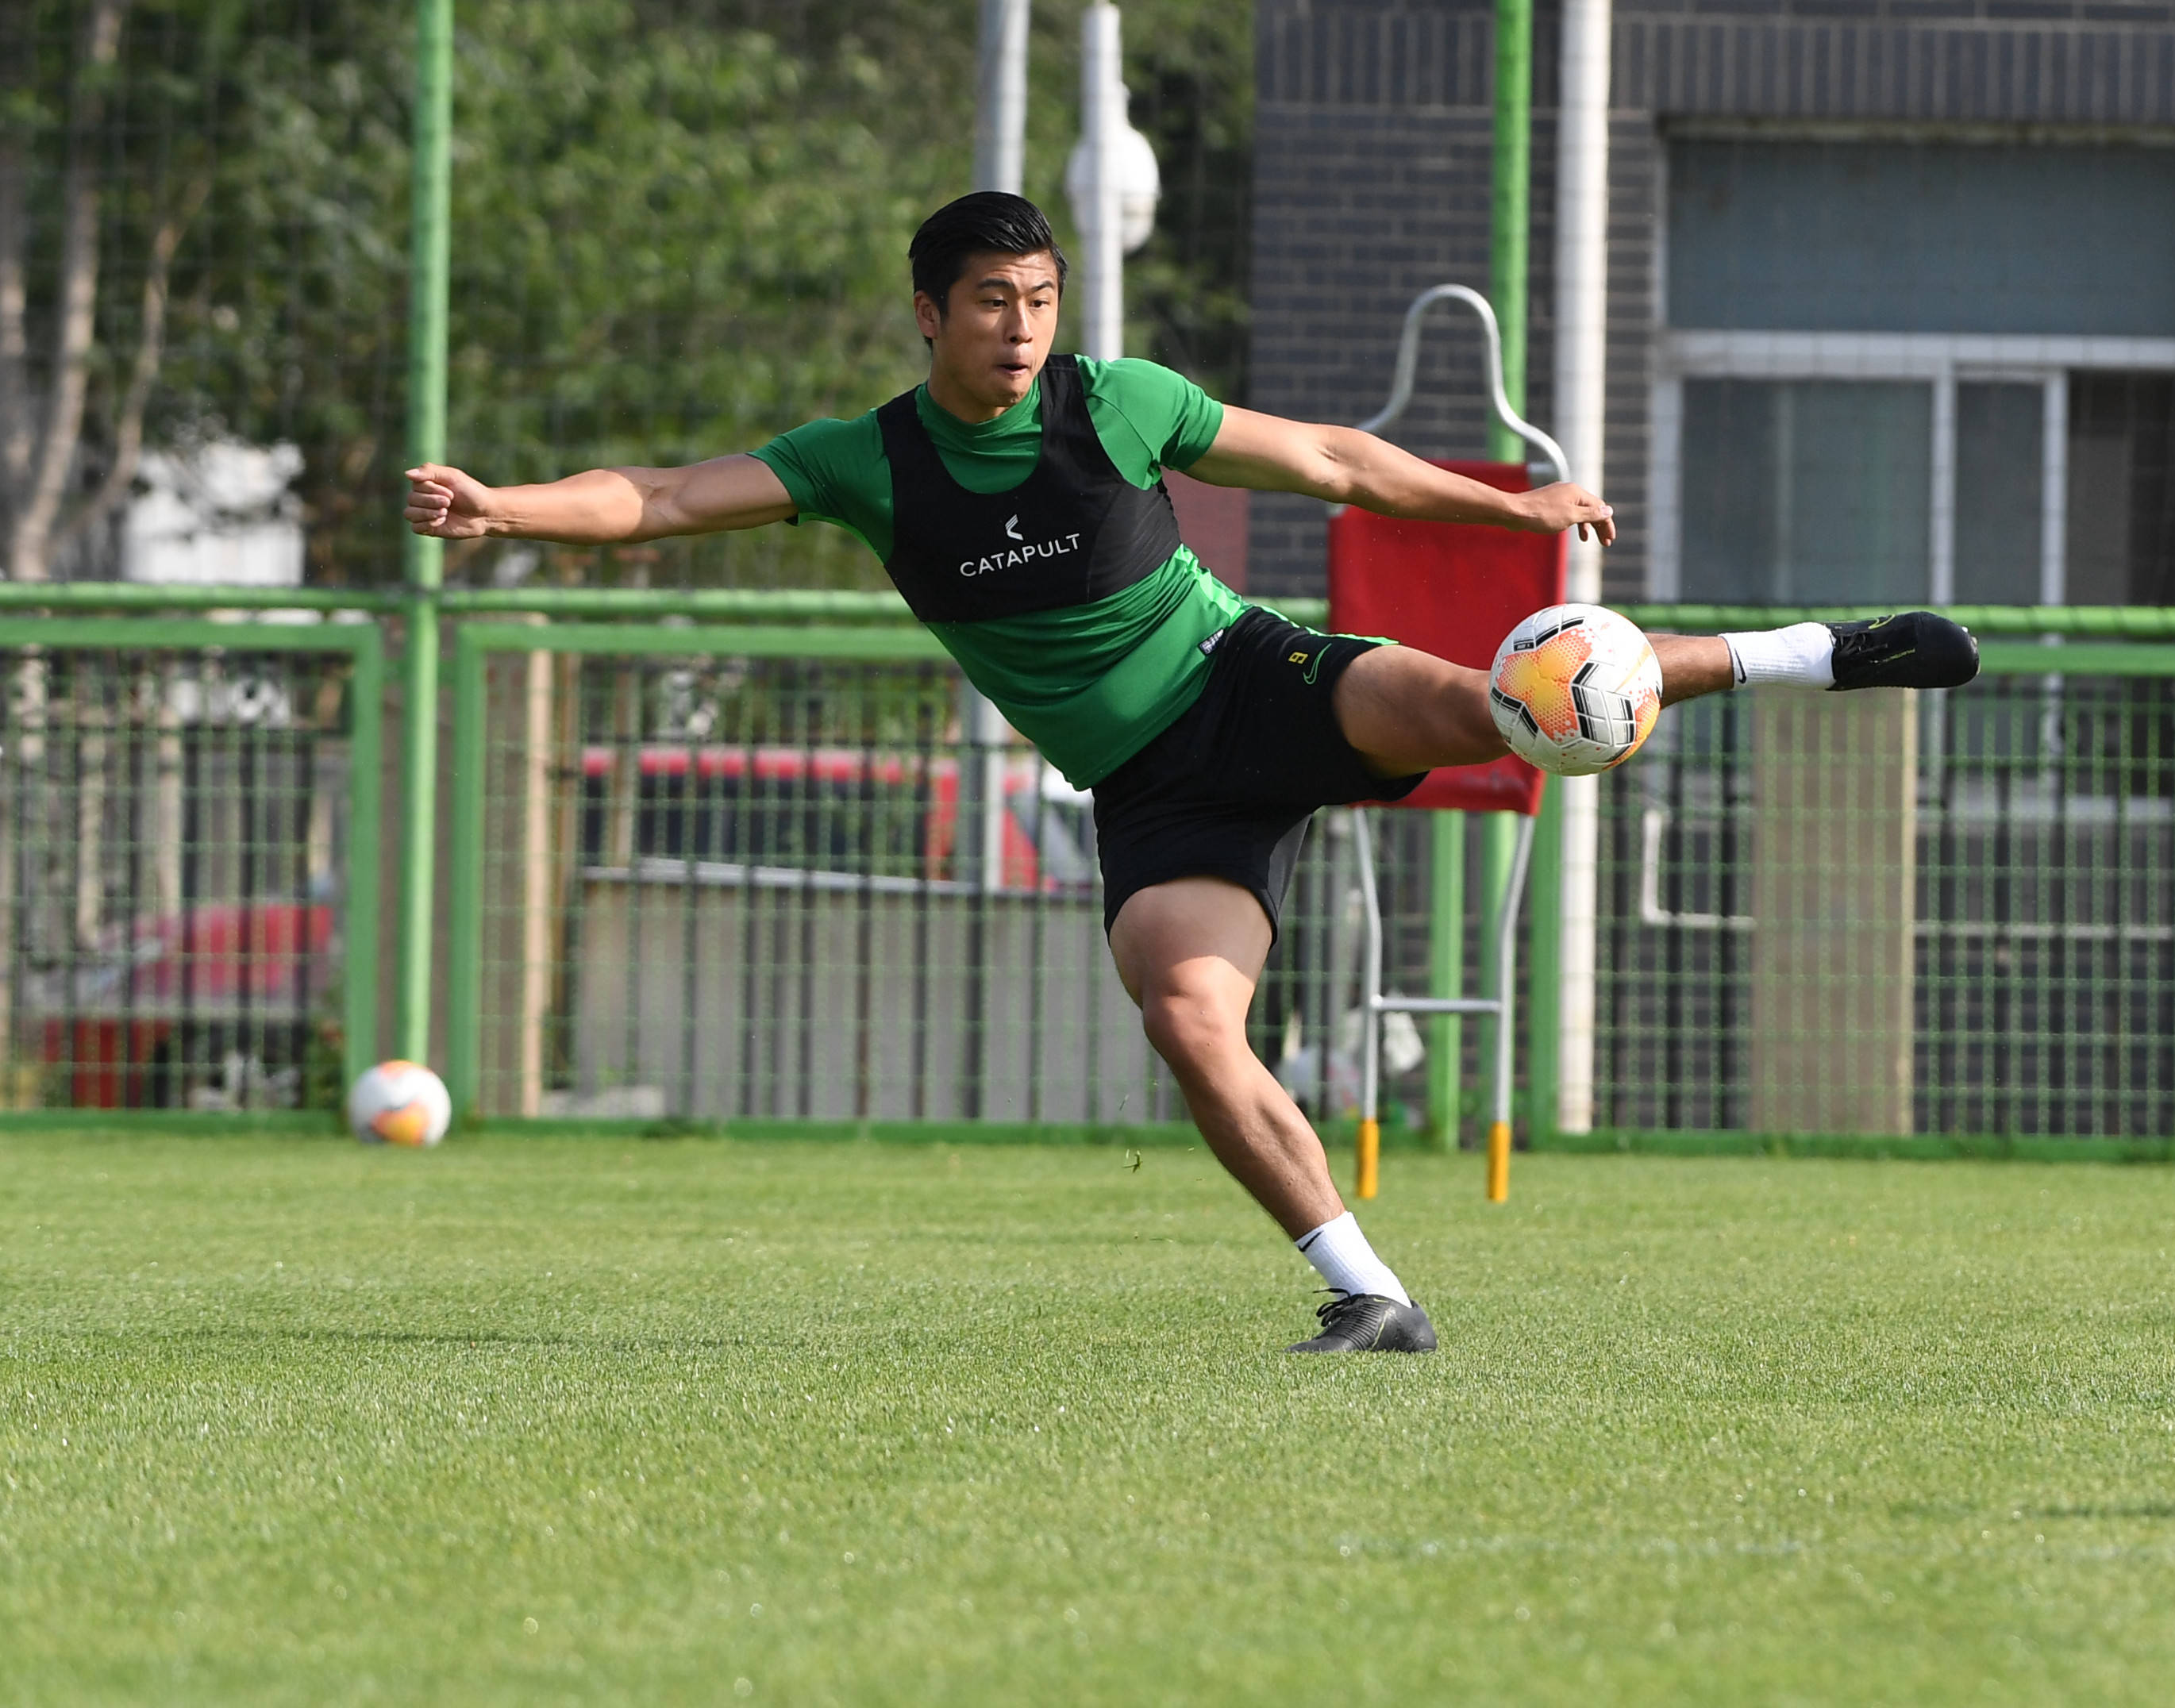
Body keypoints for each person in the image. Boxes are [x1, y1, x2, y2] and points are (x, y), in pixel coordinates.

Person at [406, 192, 1979, 1354]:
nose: (1020, 325)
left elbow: (1334, 463)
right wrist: (507, 507)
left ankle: (1814, 653)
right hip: (1152, 794)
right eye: (988, 301)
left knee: (1520, 702)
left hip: (1256, 683)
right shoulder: (863, 462)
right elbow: (671, 493)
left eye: (1038, 296)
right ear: (926, 315)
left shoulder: (1119, 401)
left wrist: (1509, 513)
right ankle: (1369, 1293)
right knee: (1185, 1015)